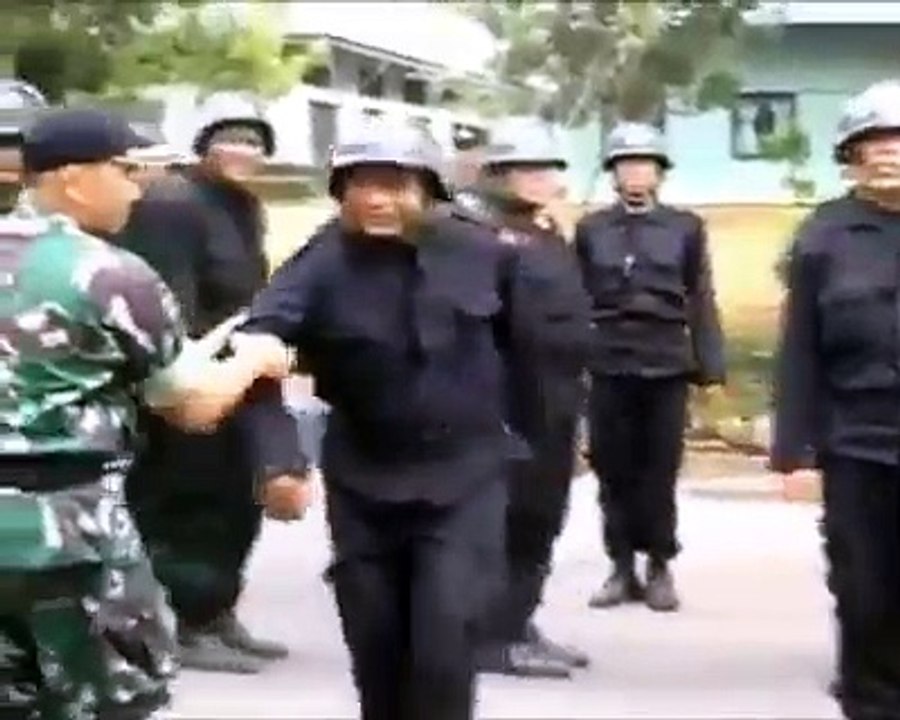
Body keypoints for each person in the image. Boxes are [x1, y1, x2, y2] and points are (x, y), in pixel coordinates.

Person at [236, 121, 588, 720]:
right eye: (361, 186)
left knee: (446, 638)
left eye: (394, 185)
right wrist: (279, 462)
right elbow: (255, 354)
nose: (377, 200)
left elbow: (536, 358)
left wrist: (552, 445)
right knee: (376, 646)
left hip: (465, 477)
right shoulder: (321, 263)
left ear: (429, 191)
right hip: (365, 482)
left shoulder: (486, 253)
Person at [0, 107, 294, 719]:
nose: (138, 189)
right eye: (126, 170)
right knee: (113, 699)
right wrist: (256, 360)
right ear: (74, 178)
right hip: (66, 535)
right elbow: (191, 405)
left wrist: (202, 350)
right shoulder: (109, 274)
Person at [117, 96, 298, 674]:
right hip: (190, 376)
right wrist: (187, 375)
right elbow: (167, 298)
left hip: (237, 373)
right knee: (188, 503)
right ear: (200, 145)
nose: (242, 151)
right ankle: (183, 622)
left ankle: (217, 612)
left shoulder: (242, 205)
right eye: (229, 138)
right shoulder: (172, 204)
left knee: (235, 502)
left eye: (254, 141)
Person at [772, 79, 900, 720]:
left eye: (899, 140)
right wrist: (794, 453)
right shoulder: (823, 235)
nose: (889, 153)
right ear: (851, 156)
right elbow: (799, 346)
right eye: (874, 142)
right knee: (863, 587)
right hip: (857, 441)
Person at [455, 117, 593, 679]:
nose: (540, 178)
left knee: (542, 519)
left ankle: (518, 621)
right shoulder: (477, 234)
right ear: (497, 173)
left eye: (547, 168)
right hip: (507, 405)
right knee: (505, 524)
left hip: (556, 400)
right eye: (525, 169)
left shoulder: (547, 232)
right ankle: (491, 637)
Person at [576, 122, 726, 612]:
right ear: (613, 173)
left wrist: (710, 365)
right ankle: (620, 566)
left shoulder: (685, 227)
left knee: (659, 470)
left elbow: (700, 294)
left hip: (665, 364)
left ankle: (659, 564)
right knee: (612, 468)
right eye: (626, 165)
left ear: (660, 173)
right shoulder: (592, 229)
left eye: (645, 164)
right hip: (609, 361)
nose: (636, 173)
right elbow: (576, 297)